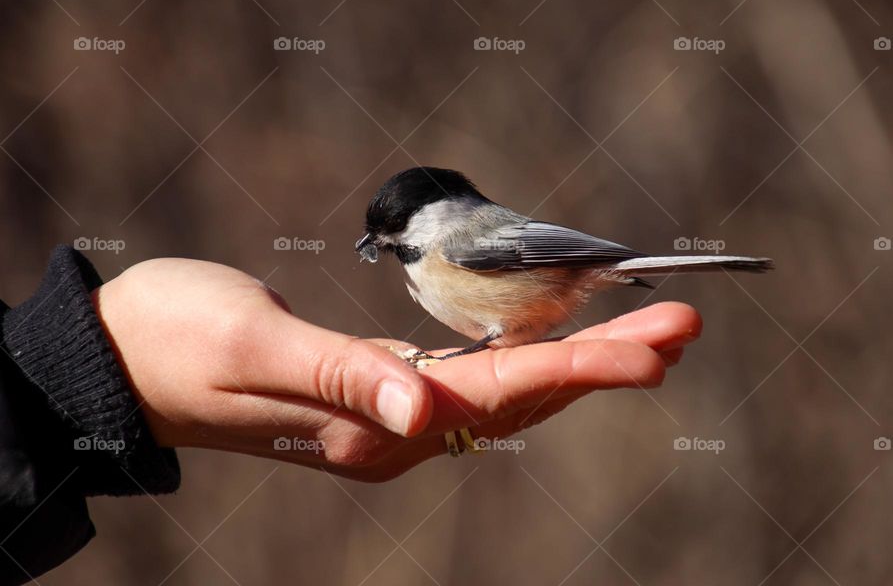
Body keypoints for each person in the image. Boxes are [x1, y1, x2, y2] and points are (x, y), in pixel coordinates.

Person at [0, 245, 701, 584]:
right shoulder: (423, 256)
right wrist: (111, 358)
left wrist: (85, 365)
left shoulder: (456, 240)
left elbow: (541, 257)